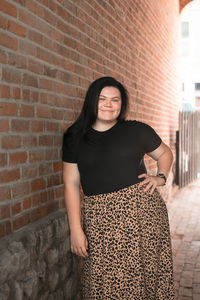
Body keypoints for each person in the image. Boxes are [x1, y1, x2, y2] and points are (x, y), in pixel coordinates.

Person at [62, 76, 175, 299]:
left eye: (115, 100)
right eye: (102, 99)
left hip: (142, 215)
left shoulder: (137, 130)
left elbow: (165, 153)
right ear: (91, 101)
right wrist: (76, 229)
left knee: (145, 280)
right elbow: (71, 184)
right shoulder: (74, 137)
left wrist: (160, 177)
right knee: (102, 284)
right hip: (100, 220)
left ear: (121, 105)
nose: (108, 105)